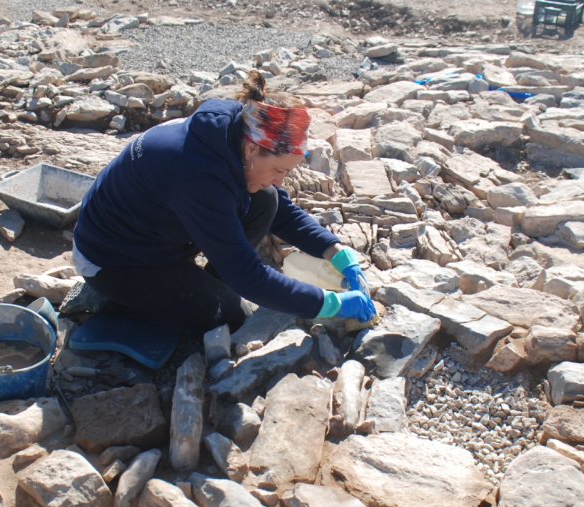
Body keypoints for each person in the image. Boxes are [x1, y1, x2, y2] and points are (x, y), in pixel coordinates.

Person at [71, 71, 376, 336]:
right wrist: (329, 304)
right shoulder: (198, 178)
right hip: (115, 259)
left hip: (155, 231)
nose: (282, 180)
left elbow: (281, 209)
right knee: (229, 317)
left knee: (266, 198)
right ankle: (118, 304)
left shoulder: (235, 128)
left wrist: (336, 252)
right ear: (254, 149)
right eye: (280, 170)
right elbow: (248, 276)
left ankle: (203, 284)